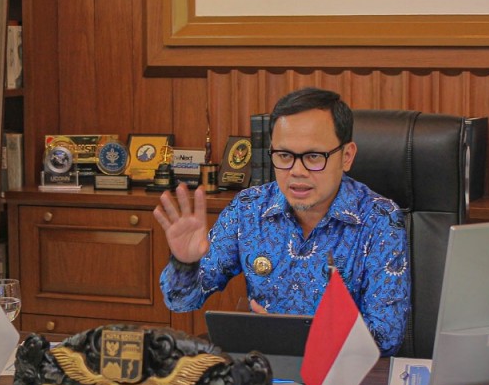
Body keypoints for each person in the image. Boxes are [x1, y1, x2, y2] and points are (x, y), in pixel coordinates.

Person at [153, 87, 410, 356]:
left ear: (346, 156)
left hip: (343, 372)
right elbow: (181, 301)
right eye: (284, 156)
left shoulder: (380, 219)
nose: (297, 171)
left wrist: (292, 336)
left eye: (313, 157)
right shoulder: (248, 209)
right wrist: (185, 264)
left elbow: (387, 336)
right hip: (268, 370)